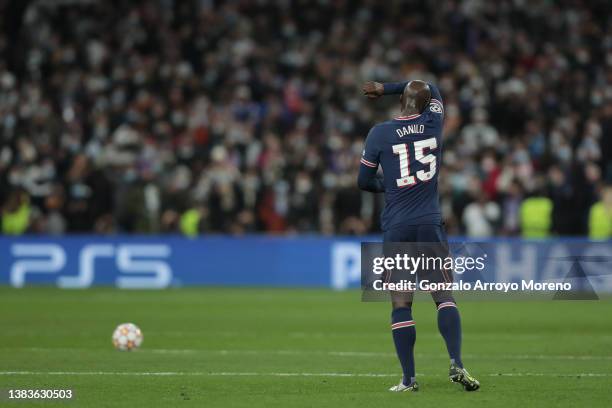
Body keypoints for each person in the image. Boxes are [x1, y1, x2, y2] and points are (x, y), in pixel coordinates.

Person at [359, 80, 480, 392]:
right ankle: (457, 361)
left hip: (397, 226)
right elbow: (435, 87)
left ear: (402, 101)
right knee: (442, 296)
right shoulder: (434, 123)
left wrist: (391, 185)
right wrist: (387, 87)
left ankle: (409, 379)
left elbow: (363, 180)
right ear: (428, 105)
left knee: (401, 303)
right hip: (429, 222)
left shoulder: (379, 132)